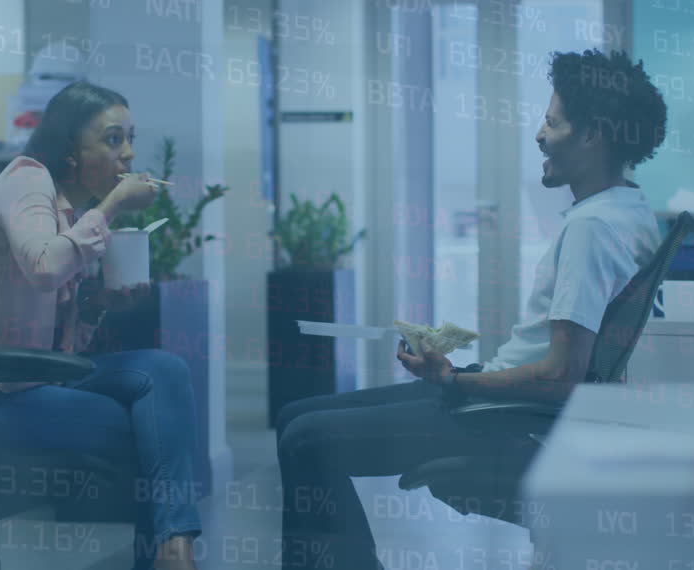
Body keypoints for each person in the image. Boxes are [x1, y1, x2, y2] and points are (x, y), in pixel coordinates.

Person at [275, 49, 668, 569]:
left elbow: (561, 375)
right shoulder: (631, 209)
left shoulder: (591, 229)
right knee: (294, 416)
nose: (539, 135)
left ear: (593, 135)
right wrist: (455, 376)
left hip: (507, 419)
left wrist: (455, 380)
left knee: (304, 439)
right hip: (506, 404)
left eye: (552, 123)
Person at [0, 81, 202, 570]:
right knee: (152, 431)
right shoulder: (26, 182)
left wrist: (97, 303)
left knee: (165, 370)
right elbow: (45, 266)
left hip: (32, 378)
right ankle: (172, 552)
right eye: (112, 139)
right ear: (70, 151)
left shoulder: (69, 210)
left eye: (130, 139)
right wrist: (113, 205)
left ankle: (175, 546)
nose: (128, 154)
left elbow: (58, 347)